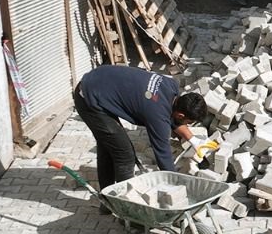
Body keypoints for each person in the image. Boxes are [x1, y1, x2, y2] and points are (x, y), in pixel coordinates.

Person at [72, 65, 208, 189]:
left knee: (109, 146)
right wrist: (176, 185)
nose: (187, 125)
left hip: (100, 80)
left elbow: (171, 117)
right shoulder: (156, 114)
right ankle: (125, 207)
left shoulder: (171, 86)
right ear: (180, 114)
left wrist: (194, 140)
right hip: (88, 98)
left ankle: (106, 200)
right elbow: (163, 154)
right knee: (124, 155)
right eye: (188, 122)